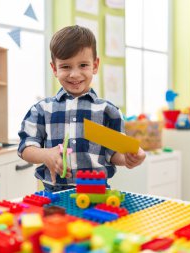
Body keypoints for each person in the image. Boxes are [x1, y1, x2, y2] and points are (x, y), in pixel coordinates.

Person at [18, 25, 146, 192]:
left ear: (95, 65)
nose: (75, 74)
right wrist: (45, 154)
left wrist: (129, 157)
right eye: (65, 66)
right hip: (53, 194)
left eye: (83, 65)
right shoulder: (42, 109)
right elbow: (25, 147)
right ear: (54, 69)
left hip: (97, 193)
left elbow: (114, 154)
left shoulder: (108, 111)